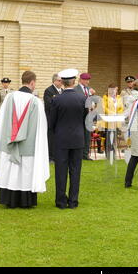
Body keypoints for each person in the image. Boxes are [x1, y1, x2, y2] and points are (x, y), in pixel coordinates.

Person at [0, 71, 49, 208]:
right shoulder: (36, 101)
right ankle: (25, 201)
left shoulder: (9, 98)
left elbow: (1, 121)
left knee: (10, 170)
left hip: (9, 143)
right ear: (32, 83)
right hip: (28, 145)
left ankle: (9, 200)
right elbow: (41, 127)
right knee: (25, 171)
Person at [50, 69, 86, 209]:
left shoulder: (56, 99)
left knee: (61, 171)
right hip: (77, 138)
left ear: (63, 83)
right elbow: (85, 120)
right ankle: (73, 201)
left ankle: (60, 201)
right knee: (75, 170)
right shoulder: (82, 99)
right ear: (74, 81)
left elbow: (51, 122)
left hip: (61, 139)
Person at [101, 83, 124, 159]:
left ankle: (113, 154)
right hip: (108, 121)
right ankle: (108, 155)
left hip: (116, 121)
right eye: (115, 89)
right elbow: (104, 108)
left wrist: (118, 114)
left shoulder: (119, 97)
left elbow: (121, 108)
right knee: (108, 139)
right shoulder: (105, 97)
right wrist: (112, 113)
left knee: (114, 139)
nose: (116, 91)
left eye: (117, 89)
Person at [44, 74, 63, 162]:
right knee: (51, 138)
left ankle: (57, 155)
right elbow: (49, 104)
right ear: (54, 81)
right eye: (59, 80)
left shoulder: (62, 90)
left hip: (61, 119)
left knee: (59, 138)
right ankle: (50, 157)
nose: (61, 82)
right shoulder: (49, 90)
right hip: (51, 119)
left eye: (61, 80)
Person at [74, 73, 93, 161]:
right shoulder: (75, 89)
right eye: (86, 80)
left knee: (87, 136)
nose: (88, 82)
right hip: (79, 116)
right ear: (81, 80)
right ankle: (78, 154)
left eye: (88, 80)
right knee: (79, 136)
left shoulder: (89, 89)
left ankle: (86, 154)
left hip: (88, 116)